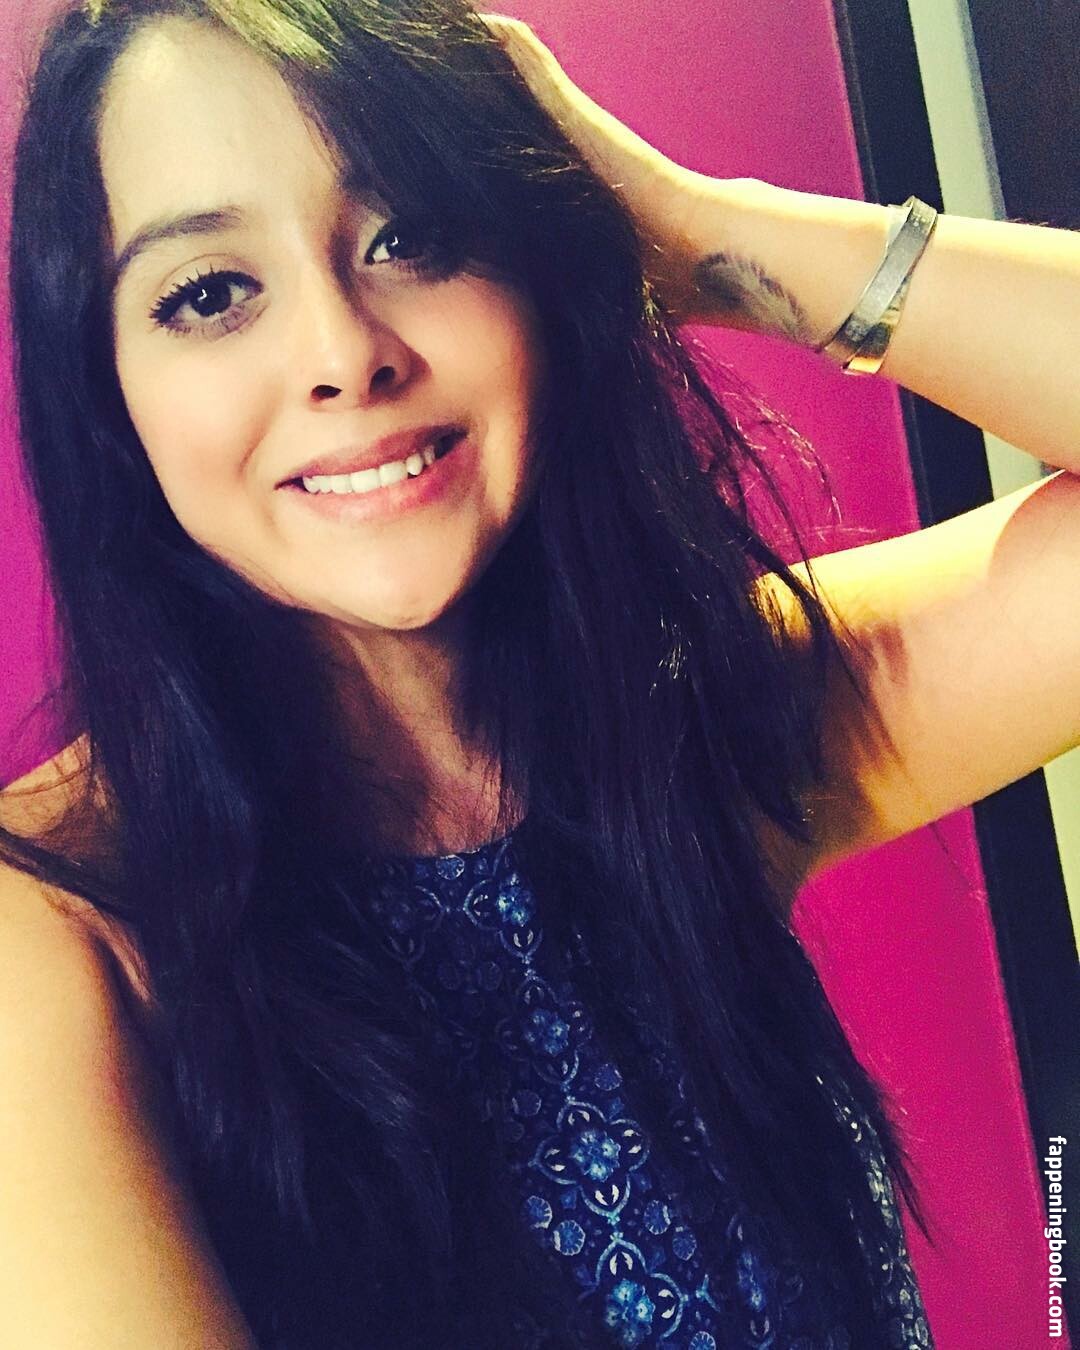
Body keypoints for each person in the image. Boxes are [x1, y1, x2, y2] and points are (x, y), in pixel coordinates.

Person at [1, 0, 1076, 1346]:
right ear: (108, 391)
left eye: (412, 233)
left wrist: (677, 225)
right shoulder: (59, 938)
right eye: (210, 293)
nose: (343, 354)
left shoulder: (694, 722)